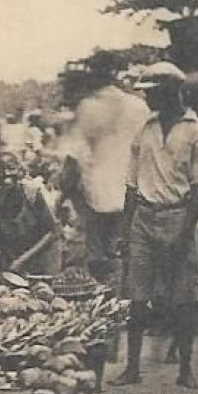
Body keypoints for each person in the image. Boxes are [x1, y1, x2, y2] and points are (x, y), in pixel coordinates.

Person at [111, 62, 198, 390]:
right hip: (144, 215)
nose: (146, 99)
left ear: (170, 91)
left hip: (178, 216)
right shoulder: (145, 131)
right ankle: (132, 368)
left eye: (151, 92)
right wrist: (126, 230)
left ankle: (186, 369)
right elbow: (131, 185)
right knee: (137, 297)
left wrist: (185, 234)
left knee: (185, 296)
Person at [64, 71, 150, 283]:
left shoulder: (89, 107)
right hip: (132, 190)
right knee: (126, 249)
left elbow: (75, 155)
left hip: (98, 192)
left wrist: (66, 191)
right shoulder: (138, 107)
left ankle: (104, 296)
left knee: (97, 254)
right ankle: (124, 298)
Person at [0, 151, 61, 275]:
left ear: (19, 170)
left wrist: (22, 260)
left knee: (45, 290)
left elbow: (51, 232)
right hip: (19, 257)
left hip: (45, 255)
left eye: (11, 168)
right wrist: (10, 261)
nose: (6, 174)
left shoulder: (31, 194)